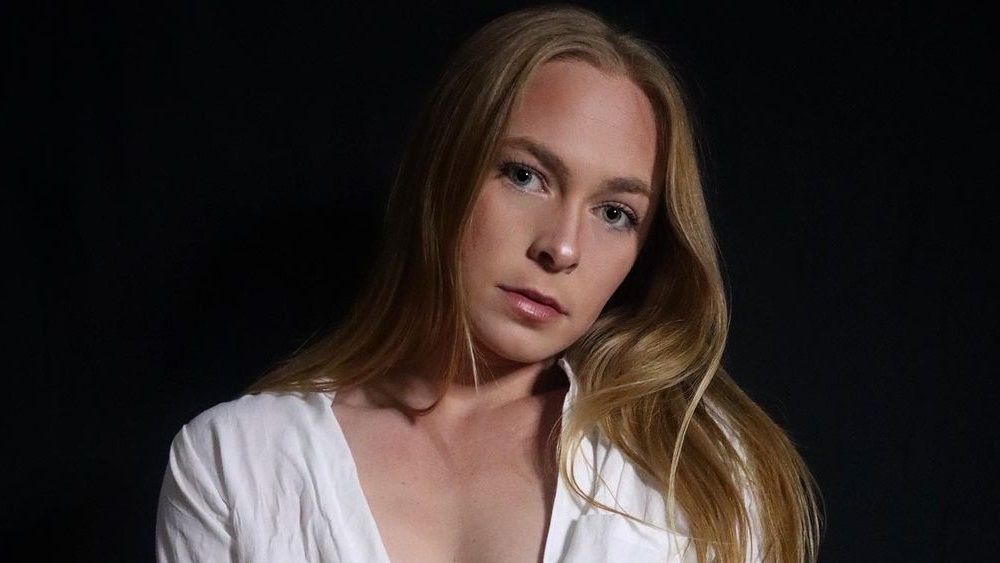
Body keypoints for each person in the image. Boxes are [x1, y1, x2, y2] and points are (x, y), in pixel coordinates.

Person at [155, 5, 822, 562]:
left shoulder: (702, 471)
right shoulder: (237, 460)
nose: (562, 247)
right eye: (526, 176)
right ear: (444, 168)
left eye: (615, 213)